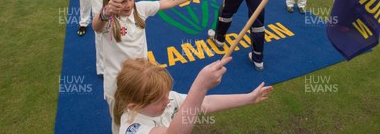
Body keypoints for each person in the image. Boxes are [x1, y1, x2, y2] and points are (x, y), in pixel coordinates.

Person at [93, 0, 200, 134]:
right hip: (117, 85)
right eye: (122, 1)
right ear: (111, 2)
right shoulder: (108, 20)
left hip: (142, 81)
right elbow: (96, 26)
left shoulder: (140, 9)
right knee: (120, 123)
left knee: (146, 115)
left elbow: (167, 2)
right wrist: (106, 12)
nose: (128, 4)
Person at [114, 57, 273, 134]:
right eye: (159, 99)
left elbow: (205, 104)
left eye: (166, 94)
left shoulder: (167, 98)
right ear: (134, 106)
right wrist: (200, 86)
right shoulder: (131, 128)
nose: (168, 100)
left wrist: (248, 98)